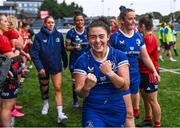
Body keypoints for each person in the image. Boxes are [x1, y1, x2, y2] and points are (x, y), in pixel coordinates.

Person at [74, 17, 134, 127]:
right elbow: (80, 93)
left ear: (108, 37)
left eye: (101, 36)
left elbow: (125, 87)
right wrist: (86, 87)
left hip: (116, 108)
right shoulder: (82, 60)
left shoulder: (119, 56)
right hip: (93, 110)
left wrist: (110, 73)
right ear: (88, 38)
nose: (97, 41)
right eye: (93, 37)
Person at [109, 8, 160, 119]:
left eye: (135, 18)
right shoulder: (115, 37)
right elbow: (108, 58)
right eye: (130, 18)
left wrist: (154, 71)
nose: (134, 21)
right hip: (120, 76)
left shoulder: (138, 37)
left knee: (131, 109)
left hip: (135, 75)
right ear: (122, 20)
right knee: (123, 109)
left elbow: (145, 56)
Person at [30, 16, 68, 123]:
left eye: (52, 22)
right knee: (44, 88)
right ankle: (45, 104)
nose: (51, 24)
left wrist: (65, 61)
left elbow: (62, 50)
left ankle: (60, 113)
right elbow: (34, 53)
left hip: (56, 66)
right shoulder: (38, 36)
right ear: (45, 23)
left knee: (58, 88)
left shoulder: (59, 35)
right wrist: (40, 67)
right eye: (49, 22)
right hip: (43, 68)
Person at [137, 15, 161, 127]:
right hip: (142, 72)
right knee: (145, 97)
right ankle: (148, 118)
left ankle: (157, 124)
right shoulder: (144, 37)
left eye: (138, 25)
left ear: (142, 26)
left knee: (152, 100)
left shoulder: (149, 38)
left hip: (150, 72)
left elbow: (143, 56)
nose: (137, 27)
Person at [65, 11, 89, 108]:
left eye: (82, 20)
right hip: (75, 60)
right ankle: (75, 100)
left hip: (87, 60)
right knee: (75, 81)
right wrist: (74, 47)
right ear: (75, 22)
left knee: (88, 80)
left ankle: (87, 100)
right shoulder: (70, 32)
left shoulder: (88, 31)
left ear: (84, 21)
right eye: (78, 20)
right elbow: (67, 47)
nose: (80, 22)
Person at [0, 13, 20, 127]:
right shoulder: (2, 39)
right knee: (6, 106)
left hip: (3, 73)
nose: (8, 24)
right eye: (5, 21)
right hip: (5, 75)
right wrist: (18, 48)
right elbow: (13, 58)